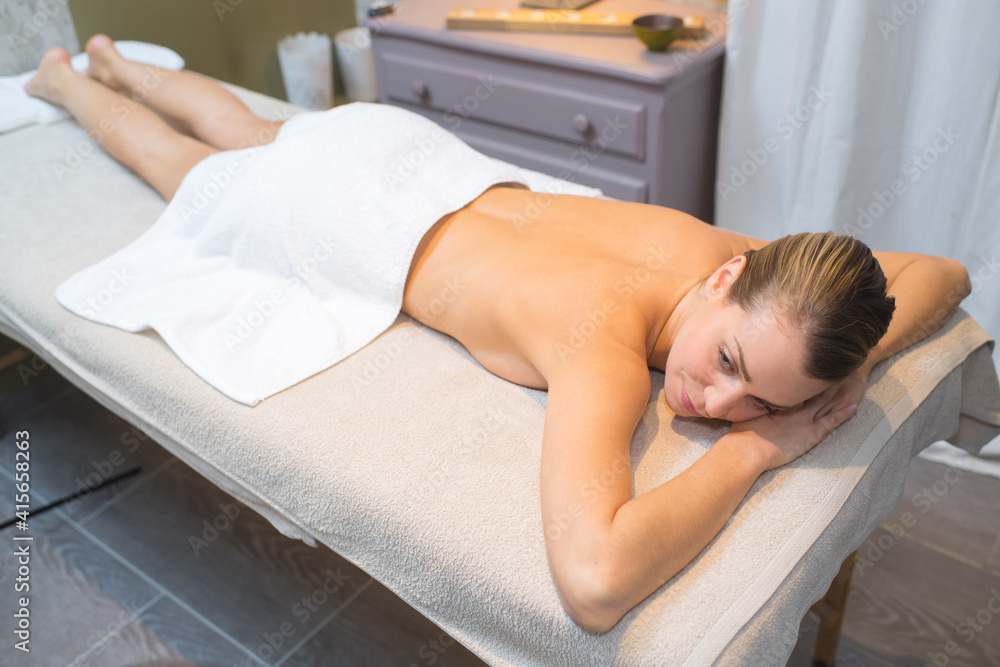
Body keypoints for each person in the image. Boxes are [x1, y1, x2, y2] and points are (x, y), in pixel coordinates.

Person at [27, 36, 971, 633]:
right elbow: (595, 580)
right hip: (342, 215)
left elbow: (944, 272)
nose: (716, 405)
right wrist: (757, 452)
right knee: (182, 165)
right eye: (728, 364)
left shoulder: (749, 261)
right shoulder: (601, 347)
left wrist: (846, 365)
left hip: (401, 153)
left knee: (255, 130)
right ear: (730, 284)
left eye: (759, 401)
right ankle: (64, 81)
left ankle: (113, 58)